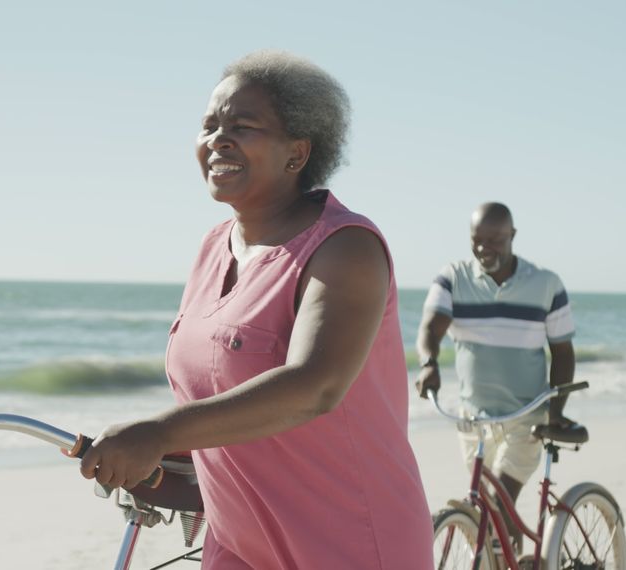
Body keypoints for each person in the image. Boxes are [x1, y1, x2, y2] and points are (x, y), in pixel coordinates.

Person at [77, 50, 434, 569]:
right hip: (238, 545)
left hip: (348, 544)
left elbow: (315, 386)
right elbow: (218, 386)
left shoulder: (345, 247)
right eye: (209, 125)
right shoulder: (211, 247)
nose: (218, 139)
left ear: (297, 154)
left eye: (242, 126)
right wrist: (159, 455)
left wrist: (159, 432)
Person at [416, 202, 576, 551]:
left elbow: (562, 353)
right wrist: (429, 362)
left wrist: (556, 410)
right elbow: (430, 328)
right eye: (477, 240)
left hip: (526, 417)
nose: (484, 248)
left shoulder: (546, 284)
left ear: (513, 236)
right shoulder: (453, 277)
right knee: (493, 511)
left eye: (495, 239)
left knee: (496, 505)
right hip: (472, 421)